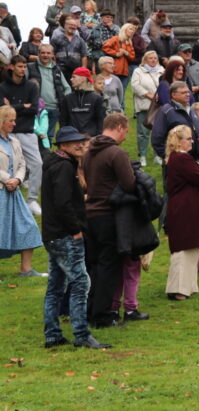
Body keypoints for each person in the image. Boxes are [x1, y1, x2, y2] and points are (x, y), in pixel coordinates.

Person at [42, 126, 111, 348]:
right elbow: (63, 203)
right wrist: (75, 229)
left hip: (53, 235)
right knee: (80, 282)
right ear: (63, 145)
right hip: (64, 235)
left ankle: (52, 334)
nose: (80, 144)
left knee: (55, 285)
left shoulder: (58, 163)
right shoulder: (62, 167)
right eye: (74, 142)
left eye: (82, 141)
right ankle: (81, 335)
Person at [81, 113, 134, 326]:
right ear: (120, 127)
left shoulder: (88, 152)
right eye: (126, 131)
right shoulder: (115, 153)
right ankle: (102, 315)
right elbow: (129, 184)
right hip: (108, 214)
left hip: (90, 214)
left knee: (93, 265)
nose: (125, 136)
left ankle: (90, 309)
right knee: (108, 266)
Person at [164, 124, 199, 300]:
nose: (192, 141)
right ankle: (178, 288)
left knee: (191, 247)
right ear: (179, 141)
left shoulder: (180, 158)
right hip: (184, 210)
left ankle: (188, 286)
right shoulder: (180, 158)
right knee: (183, 249)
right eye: (188, 138)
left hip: (188, 208)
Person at [0, 105, 45, 277]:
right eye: (10, 120)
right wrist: (7, 179)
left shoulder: (15, 141)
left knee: (29, 226)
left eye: (14, 119)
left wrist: (18, 179)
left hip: (13, 192)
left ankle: (26, 270)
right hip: (2, 189)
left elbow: (22, 164)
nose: (14, 123)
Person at [0, 56, 44, 216]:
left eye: (25, 66)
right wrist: (21, 106)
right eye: (20, 66)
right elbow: (2, 110)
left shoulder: (32, 86)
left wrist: (12, 106)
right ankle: (7, 200)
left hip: (26, 131)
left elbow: (33, 109)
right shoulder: (3, 87)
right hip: (6, 133)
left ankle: (32, 200)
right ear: (12, 67)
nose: (23, 69)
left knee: (38, 164)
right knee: (7, 167)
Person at [27, 44, 68, 144]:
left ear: (53, 55)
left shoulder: (57, 69)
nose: (46, 55)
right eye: (43, 52)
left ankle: (46, 158)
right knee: (35, 135)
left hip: (54, 108)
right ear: (38, 54)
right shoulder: (30, 67)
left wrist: (63, 102)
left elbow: (67, 87)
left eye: (48, 53)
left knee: (49, 136)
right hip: (37, 108)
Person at [130, 51, 162, 167]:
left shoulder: (162, 70)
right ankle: (142, 156)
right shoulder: (138, 71)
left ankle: (157, 156)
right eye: (150, 58)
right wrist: (149, 95)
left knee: (158, 132)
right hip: (144, 105)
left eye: (155, 58)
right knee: (143, 133)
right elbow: (135, 86)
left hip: (159, 106)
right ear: (145, 60)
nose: (153, 60)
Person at [60, 66, 105, 137]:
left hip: (90, 140)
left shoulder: (97, 98)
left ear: (83, 79)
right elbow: (63, 121)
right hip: (71, 138)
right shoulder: (67, 98)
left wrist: (98, 138)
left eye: (74, 77)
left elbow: (100, 121)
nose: (71, 79)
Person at [101, 21, 136, 89]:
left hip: (125, 72)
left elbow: (132, 57)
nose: (132, 31)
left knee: (122, 93)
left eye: (133, 30)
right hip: (114, 70)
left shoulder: (129, 42)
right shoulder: (115, 38)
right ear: (124, 29)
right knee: (112, 91)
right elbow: (105, 47)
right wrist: (116, 53)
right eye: (130, 29)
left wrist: (126, 53)